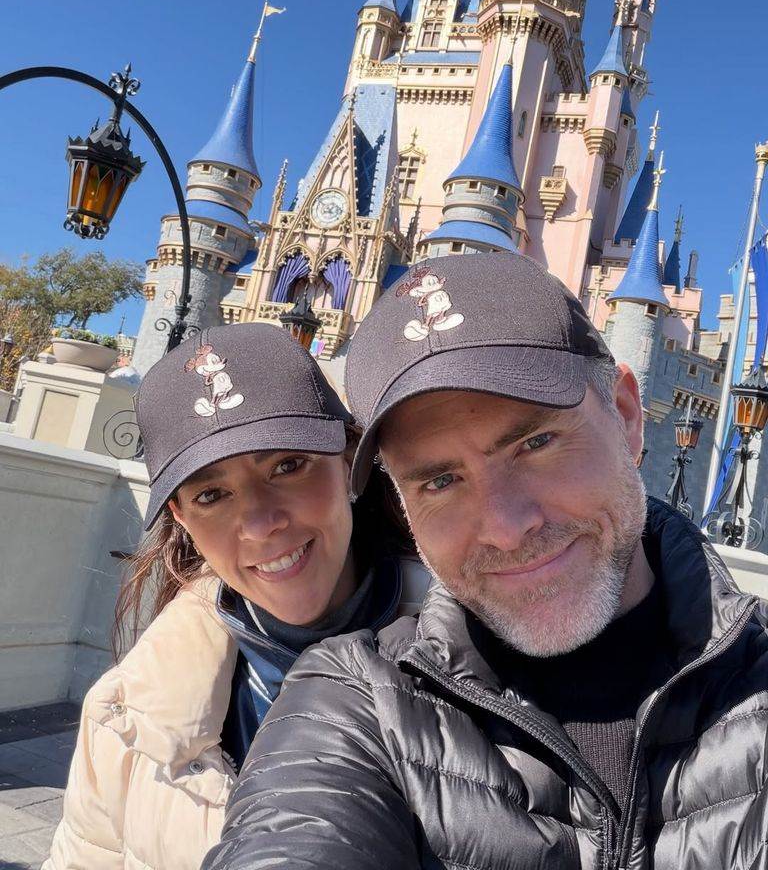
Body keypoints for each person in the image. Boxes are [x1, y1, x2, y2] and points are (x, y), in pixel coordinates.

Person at [204, 253, 768, 870]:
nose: (504, 527)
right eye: (440, 481)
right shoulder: (356, 705)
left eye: (536, 442)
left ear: (627, 416)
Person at [44, 323, 428, 870]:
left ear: (347, 461)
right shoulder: (125, 722)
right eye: (211, 494)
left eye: (287, 466)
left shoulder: (490, 665)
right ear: (181, 517)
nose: (260, 523)